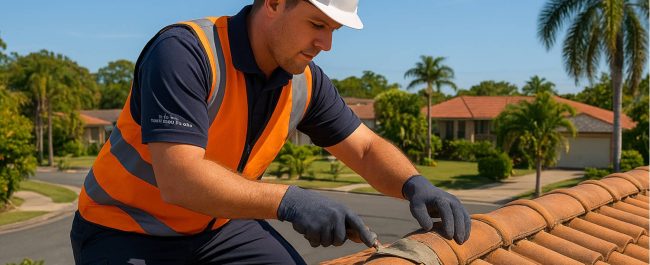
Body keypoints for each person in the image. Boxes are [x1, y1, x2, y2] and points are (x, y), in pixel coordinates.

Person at [70, 0, 471, 264]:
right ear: (275, 3)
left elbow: (363, 148)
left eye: (334, 30)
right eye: (317, 24)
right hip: (123, 229)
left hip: (219, 229)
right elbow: (179, 179)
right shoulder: (185, 52)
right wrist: (290, 201)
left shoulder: (304, 81)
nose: (326, 44)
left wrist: (414, 183)